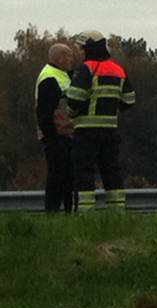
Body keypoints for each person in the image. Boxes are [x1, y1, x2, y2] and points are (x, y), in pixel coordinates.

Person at [66, 31, 135, 211]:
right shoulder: (118, 69)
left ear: (88, 48)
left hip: (86, 131)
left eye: (81, 48)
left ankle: (86, 213)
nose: (79, 52)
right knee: (112, 171)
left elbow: (74, 97)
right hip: (110, 131)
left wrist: (71, 113)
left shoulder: (87, 68)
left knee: (84, 171)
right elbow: (129, 101)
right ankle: (117, 211)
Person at [35, 43, 75, 212]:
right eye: (68, 56)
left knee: (68, 178)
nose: (71, 60)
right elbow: (44, 113)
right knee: (56, 177)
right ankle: (52, 212)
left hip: (66, 135)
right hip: (57, 137)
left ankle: (67, 211)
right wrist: (51, 139)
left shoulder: (63, 75)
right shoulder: (49, 78)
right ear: (59, 58)